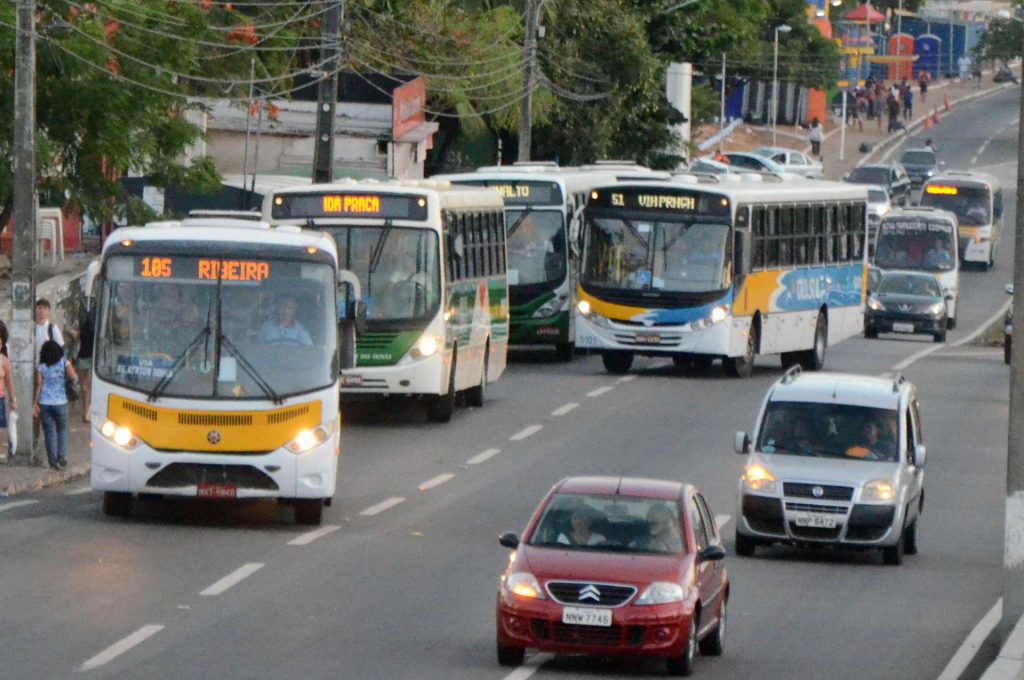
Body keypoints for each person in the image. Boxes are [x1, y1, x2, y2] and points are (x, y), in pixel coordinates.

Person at [34, 339, 77, 470]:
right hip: (61, 402)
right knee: (62, 430)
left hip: (45, 403)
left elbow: (39, 385)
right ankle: (61, 456)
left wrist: (34, 403)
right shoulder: (65, 363)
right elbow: (74, 378)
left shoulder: (40, 366)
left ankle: (52, 461)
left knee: (48, 432)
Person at [70, 297, 95, 422]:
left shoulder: (94, 324)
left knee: (86, 386)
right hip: (85, 357)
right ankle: (86, 411)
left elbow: (75, 336)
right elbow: (75, 336)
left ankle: (87, 411)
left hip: (89, 357)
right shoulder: (83, 324)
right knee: (85, 387)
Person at [0, 339, 15, 462]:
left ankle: (1, 451)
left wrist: (12, 400)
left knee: (1, 426)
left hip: (0, 398)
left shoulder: (4, 361)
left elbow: (9, 382)